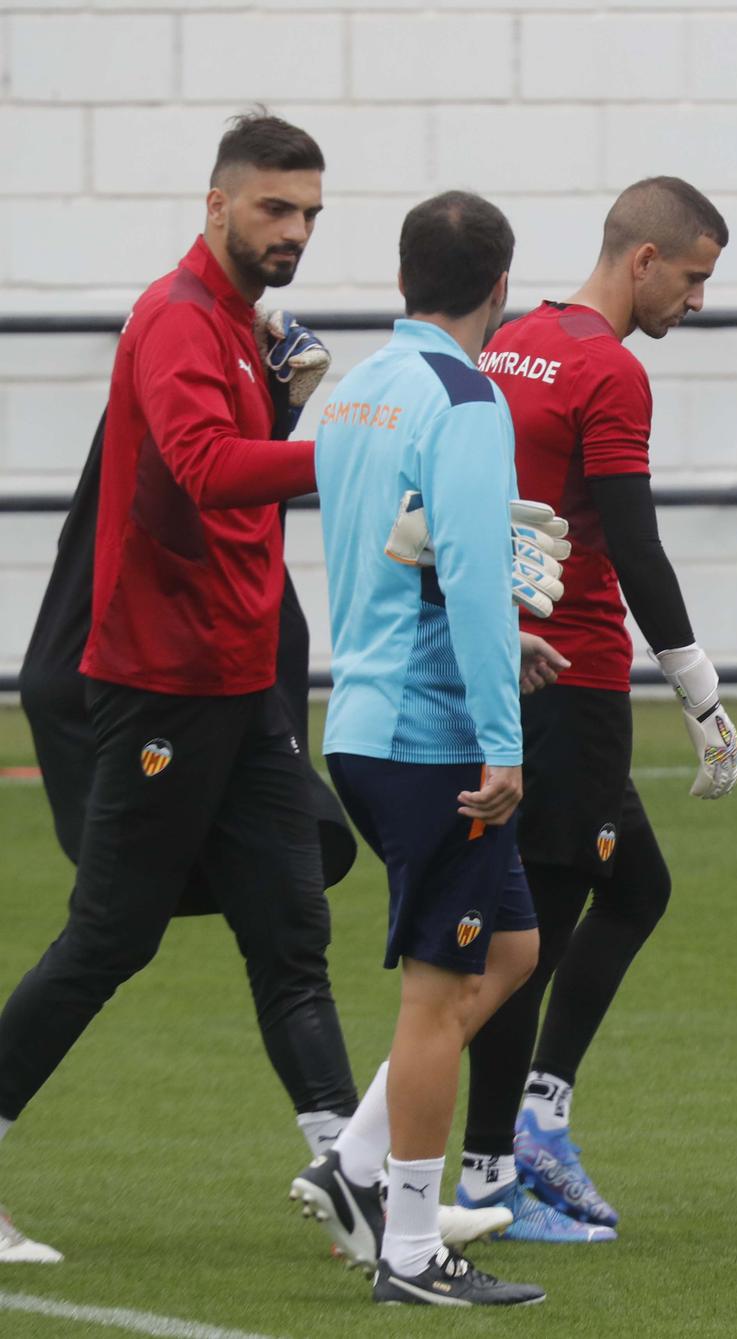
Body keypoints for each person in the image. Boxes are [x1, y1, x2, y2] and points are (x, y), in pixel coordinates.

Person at [0, 112, 358, 1265]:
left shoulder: (240, 325)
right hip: (159, 687)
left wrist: (294, 409)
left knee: (292, 931)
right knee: (110, 936)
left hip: (242, 680)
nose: (293, 230)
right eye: (273, 209)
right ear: (216, 206)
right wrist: (352, 445)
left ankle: (364, 1192)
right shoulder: (174, 320)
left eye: (307, 212)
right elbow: (206, 473)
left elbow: (233, 468)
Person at [452, 177, 737, 1241]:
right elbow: (632, 541)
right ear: (642, 262)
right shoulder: (609, 371)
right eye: (694, 278)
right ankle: (494, 1170)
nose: (698, 302)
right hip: (568, 685)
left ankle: (536, 1115)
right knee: (529, 934)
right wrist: (700, 690)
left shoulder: (514, 338)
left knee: (634, 888)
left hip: (507, 668)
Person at [291, 190, 567, 1306]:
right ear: (501, 288)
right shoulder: (466, 397)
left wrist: (500, 647)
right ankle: (407, 1250)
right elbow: (467, 554)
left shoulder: (355, 390)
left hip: (364, 714)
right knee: (434, 988)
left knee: (510, 951)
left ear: (406, 276)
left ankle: (355, 1166)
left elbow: (409, 556)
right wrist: (502, 739)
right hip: (431, 736)